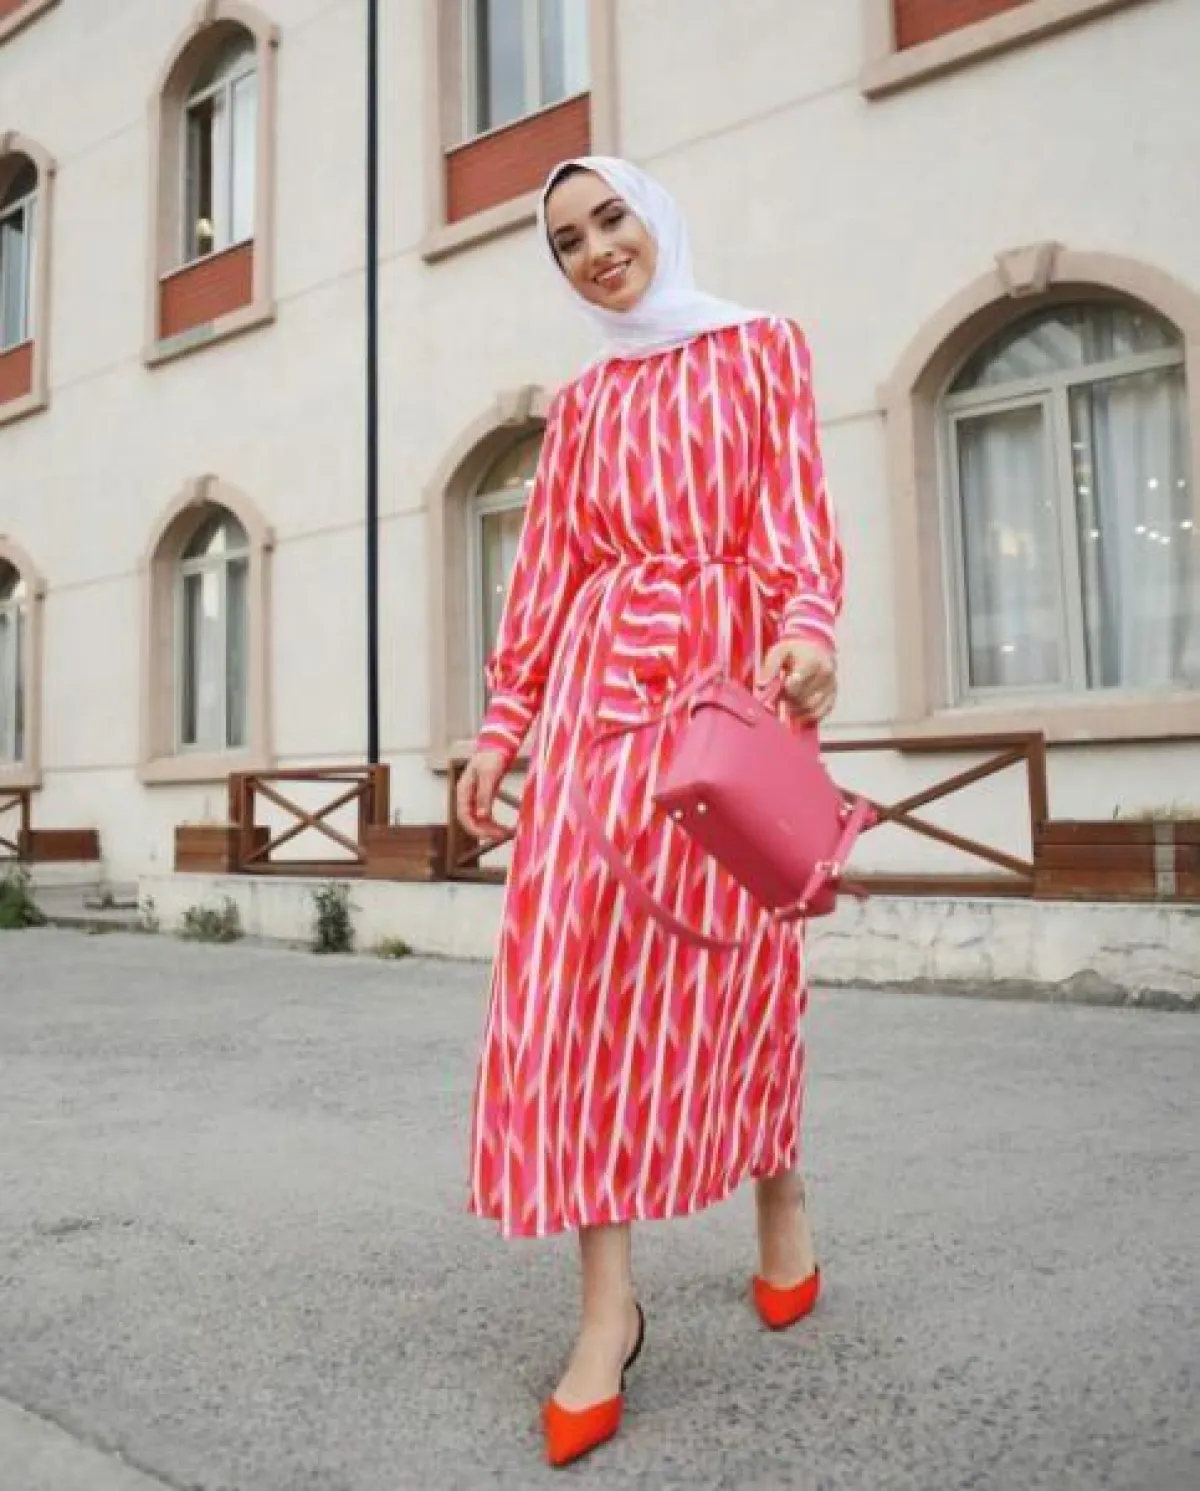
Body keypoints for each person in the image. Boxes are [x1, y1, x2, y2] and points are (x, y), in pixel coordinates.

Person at [455, 155, 843, 1469]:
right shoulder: (582, 403)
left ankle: (777, 1187)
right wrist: (505, 724)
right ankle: (606, 1308)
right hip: (594, 706)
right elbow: (548, 569)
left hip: (729, 689)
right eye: (567, 240)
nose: (596, 250)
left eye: (609, 218)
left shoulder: (762, 348)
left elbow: (797, 518)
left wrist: (809, 633)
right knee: (576, 986)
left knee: (740, 962)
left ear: (654, 215)